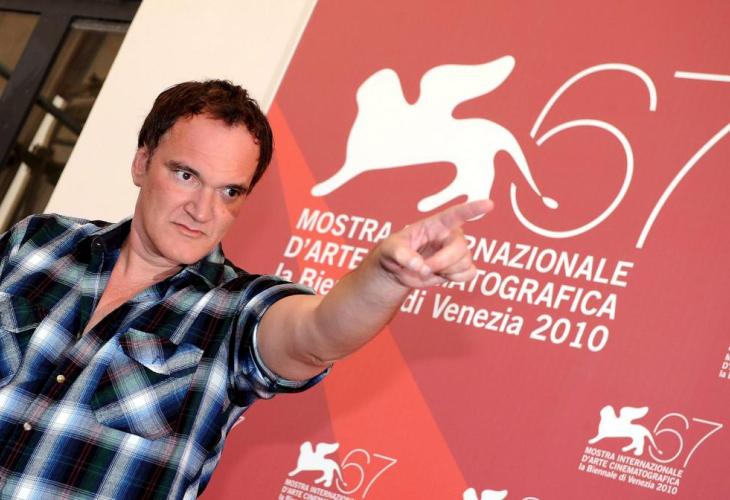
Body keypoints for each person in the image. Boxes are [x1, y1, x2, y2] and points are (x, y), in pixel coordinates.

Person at [0, 80, 492, 499]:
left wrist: (387, 275)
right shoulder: (37, 242)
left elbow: (317, 333)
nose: (203, 210)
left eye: (230, 191)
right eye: (186, 175)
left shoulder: (235, 311)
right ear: (142, 163)